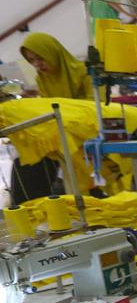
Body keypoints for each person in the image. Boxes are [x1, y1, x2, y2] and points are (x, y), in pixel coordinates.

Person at [10, 33, 93, 202]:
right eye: (31, 60)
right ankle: (35, 211)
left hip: (88, 133)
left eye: (40, 58)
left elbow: (94, 106)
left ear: (52, 52)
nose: (37, 64)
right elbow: (48, 109)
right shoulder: (43, 80)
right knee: (25, 162)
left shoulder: (86, 72)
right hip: (61, 136)